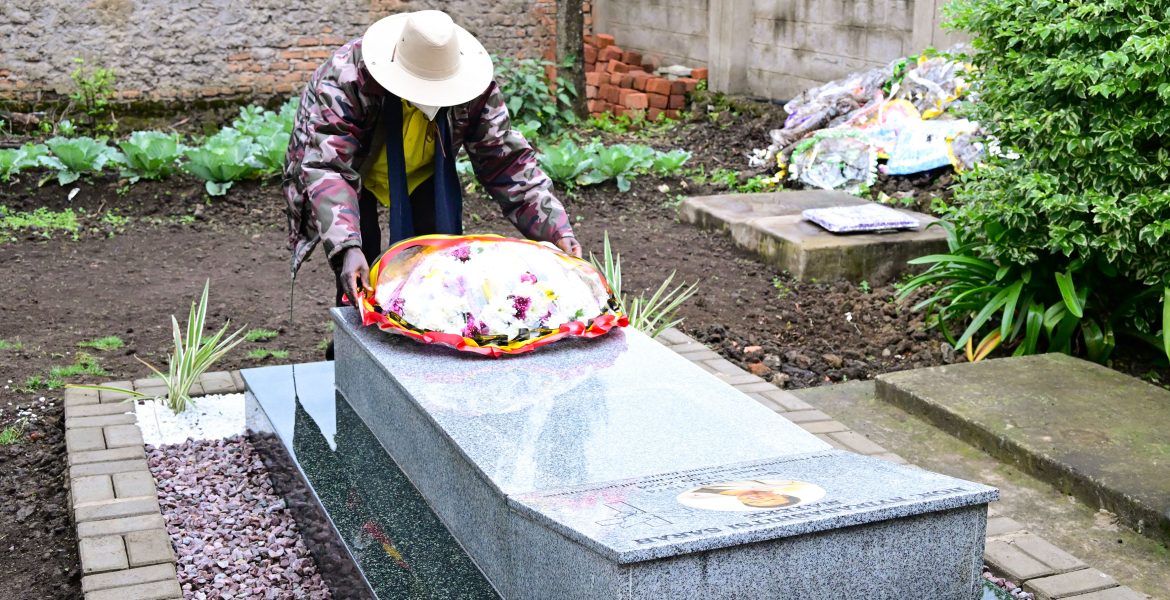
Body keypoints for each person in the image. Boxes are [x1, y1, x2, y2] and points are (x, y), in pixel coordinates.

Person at [282, 10, 582, 329]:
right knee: (358, 267)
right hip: (353, 174)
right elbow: (328, 166)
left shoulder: (474, 86)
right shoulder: (348, 77)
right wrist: (346, 246)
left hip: (426, 169)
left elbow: (506, 160)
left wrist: (557, 229)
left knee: (436, 267)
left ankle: (431, 344)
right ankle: (354, 348)